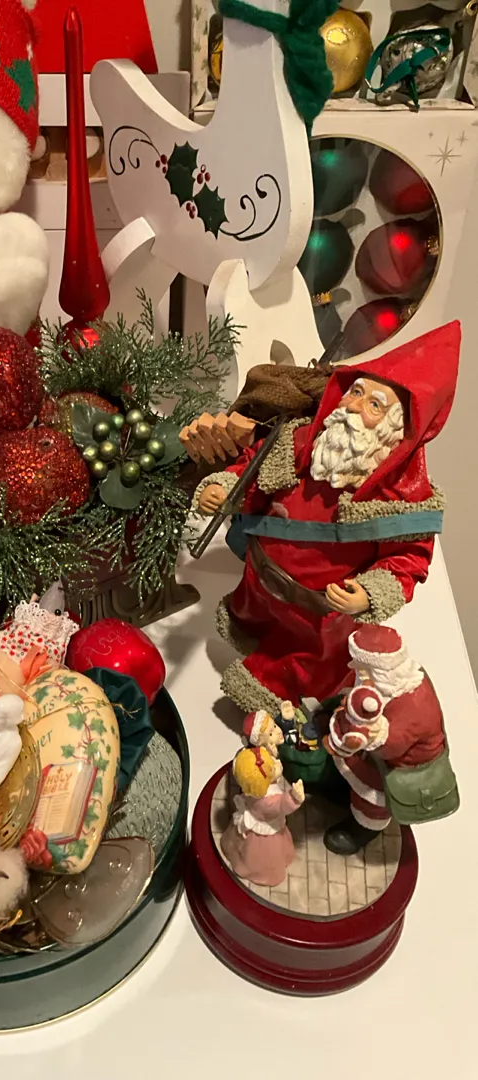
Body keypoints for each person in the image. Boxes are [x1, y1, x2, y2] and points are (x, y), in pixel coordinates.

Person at [194, 323, 459, 713]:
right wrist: (224, 487)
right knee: (254, 625)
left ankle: (277, 693)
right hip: (261, 584)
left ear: (396, 429)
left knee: (302, 663)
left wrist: (368, 594)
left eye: (374, 405)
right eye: (356, 392)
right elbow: (255, 470)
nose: (354, 407)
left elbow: (407, 558)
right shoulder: (302, 441)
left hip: (320, 615)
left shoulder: (403, 497)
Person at [324, 624, 451, 854]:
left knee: (372, 799)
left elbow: (388, 746)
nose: (354, 669)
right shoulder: (387, 688)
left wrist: (357, 731)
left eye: (362, 668)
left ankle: (363, 830)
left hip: (398, 767)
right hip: (379, 753)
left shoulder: (412, 706)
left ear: (380, 671)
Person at [220, 746, 304, 887]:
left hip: (254, 813)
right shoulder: (267, 801)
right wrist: (294, 798)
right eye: (272, 768)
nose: (277, 764)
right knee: (263, 856)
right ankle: (259, 872)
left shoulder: (254, 788)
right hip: (264, 835)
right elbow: (281, 804)